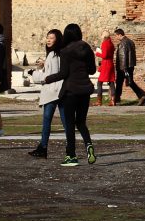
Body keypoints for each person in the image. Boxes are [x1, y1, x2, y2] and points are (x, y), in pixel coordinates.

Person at [45, 23, 97, 167]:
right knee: (81, 122)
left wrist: (47, 78)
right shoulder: (87, 48)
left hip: (70, 91)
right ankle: (88, 145)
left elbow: (63, 73)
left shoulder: (65, 51)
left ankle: (71, 156)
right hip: (85, 90)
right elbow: (92, 70)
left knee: (69, 124)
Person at [27, 29, 65, 159]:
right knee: (66, 122)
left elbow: (50, 76)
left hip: (52, 92)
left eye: (51, 38)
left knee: (47, 121)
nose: (48, 40)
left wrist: (34, 74)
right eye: (47, 37)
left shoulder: (53, 54)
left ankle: (43, 147)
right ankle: (71, 149)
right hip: (60, 91)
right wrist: (44, 65)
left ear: (57, 39)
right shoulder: (59, 53)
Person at [112, 28, 145, 105]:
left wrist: (124, 69)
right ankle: (116, 100)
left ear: (119, 35)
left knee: (129, 82)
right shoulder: (131, 42)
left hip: (123, 67)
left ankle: (141, 96)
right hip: (130, 66)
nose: (115, 37)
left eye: (116, 36)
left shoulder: (123, 43)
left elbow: (123, 56)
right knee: (121, 83)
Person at [95, 31, 116, 106]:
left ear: (104, 36)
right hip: (110, 64)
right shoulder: (111, 43)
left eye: (102, 34)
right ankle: (113, 101)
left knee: (99, 82)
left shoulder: (105, 43)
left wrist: (97, 53)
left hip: (106, 64)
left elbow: (104, 55)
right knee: (111, 82)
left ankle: (99, 101)